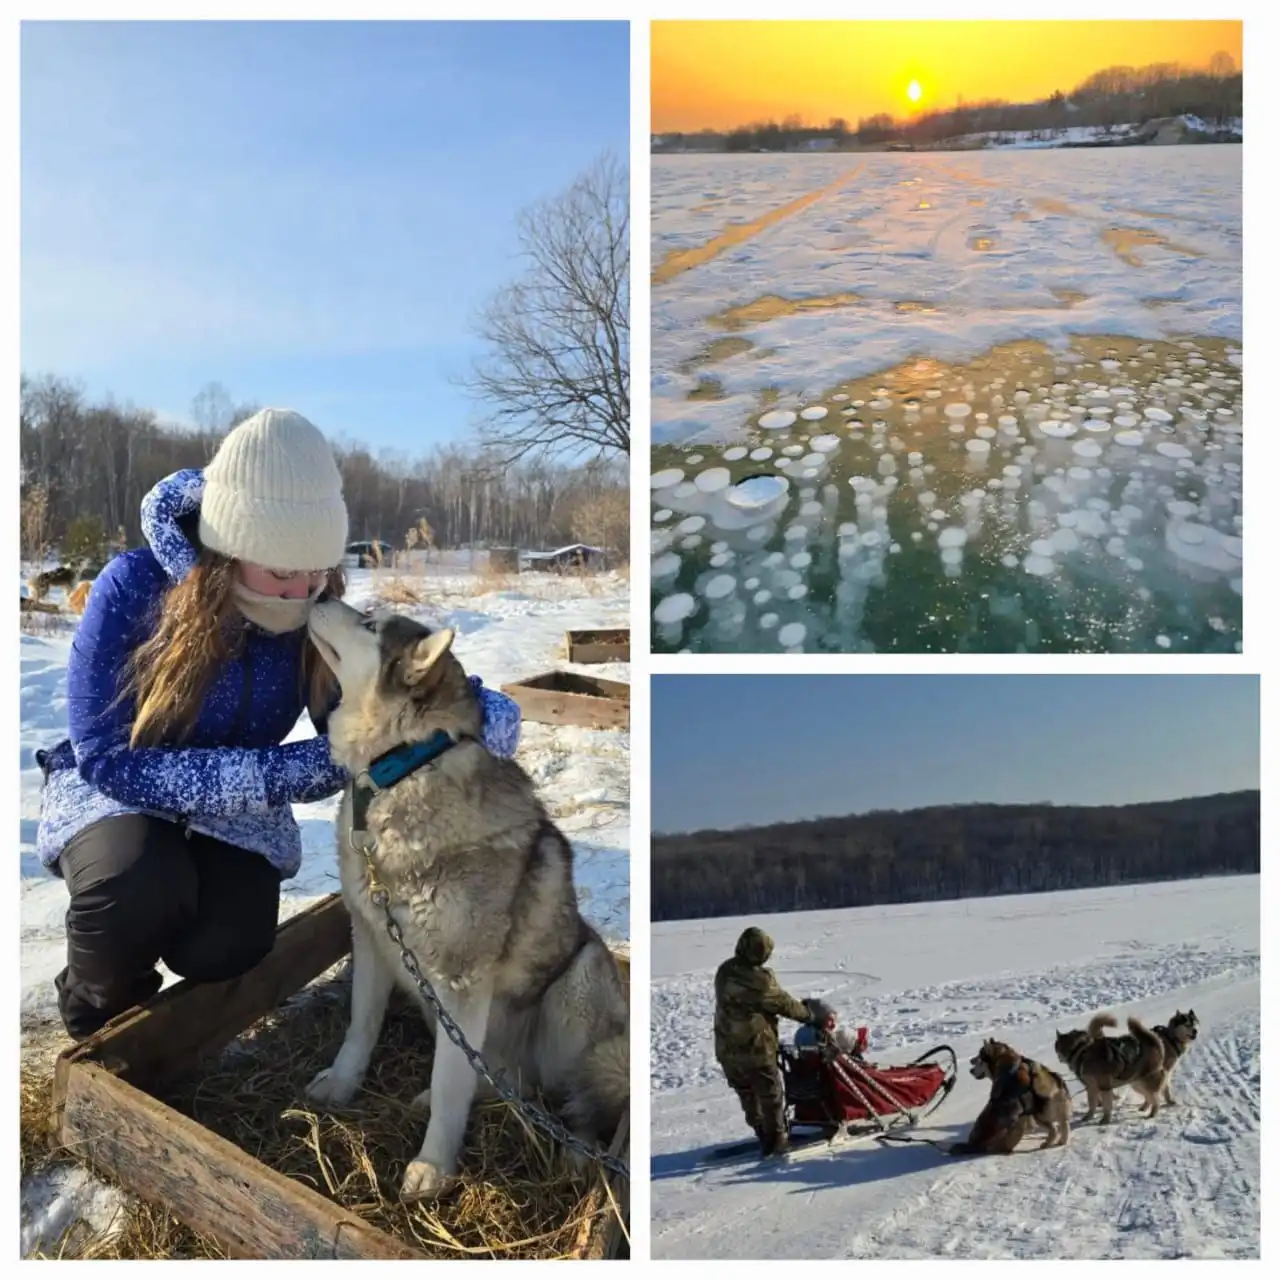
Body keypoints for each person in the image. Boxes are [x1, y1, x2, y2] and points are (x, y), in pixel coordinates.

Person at [34, 409, 523, 1041]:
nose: (302, 593)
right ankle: (98, 1016)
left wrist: (473, 716)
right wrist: (296, 770)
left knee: (229, 945)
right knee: (136, 890)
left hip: (237, 813)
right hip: (115, 792)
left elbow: (386, 683)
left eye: (316, 571)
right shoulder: (133, 586)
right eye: (282, 573)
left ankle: (179, 989)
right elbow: (105, 756)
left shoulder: (313, 615)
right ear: (228, 549)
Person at [713, 925, 815, 1157]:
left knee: (747, 1094)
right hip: (756, 1049)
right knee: (770, 1095)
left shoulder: (725, 971)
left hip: (727, 1049)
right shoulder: (760, 980)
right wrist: (810, 1015)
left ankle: (762, 1133)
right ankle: (777, 1140)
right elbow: (783, 1004)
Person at [794, 998, 865, 1057]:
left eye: (835, 1020)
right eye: (830, 1020)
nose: (834, 1025)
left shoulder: (800, 1034)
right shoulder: (835, 1036)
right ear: (818, 1020)